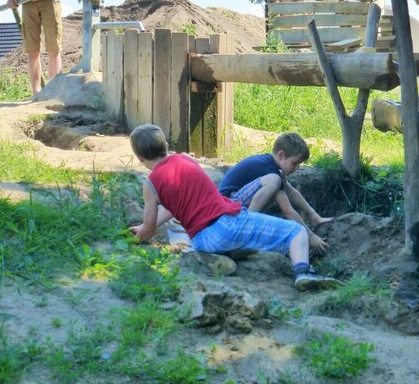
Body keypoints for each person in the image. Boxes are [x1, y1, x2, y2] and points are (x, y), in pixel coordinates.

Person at [128, 124, 340, 292]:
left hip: (202, 238)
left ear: (139, 157)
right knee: (296, 231)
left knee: (236, 238)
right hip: (228, 223)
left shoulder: (151, 185)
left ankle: (219, 254)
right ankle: (303, 273)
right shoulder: (186, 159)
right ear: (165, 145)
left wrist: (134, 235)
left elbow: (150, 230)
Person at [218, 132, 333, 252]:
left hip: (232, 204)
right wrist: (311, 237)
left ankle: (249, 223)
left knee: (277, 182)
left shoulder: (270, 165)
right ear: (281, 155)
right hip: (227, 207)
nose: (297, 168)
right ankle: (248, 226)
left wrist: (315, 216)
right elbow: (288, 211)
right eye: (295, 163)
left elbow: (292, 192)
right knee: (275, 180)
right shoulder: (270, 172)